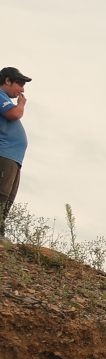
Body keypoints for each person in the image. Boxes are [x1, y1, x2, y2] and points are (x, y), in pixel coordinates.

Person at [0, 66, 31, 239]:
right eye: (19, 83)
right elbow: (14, 114)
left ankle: (0, 233)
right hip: (4, 155)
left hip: (13, 157)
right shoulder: (0, 97)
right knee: (2, 194)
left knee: (8, 197)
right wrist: (20, 105)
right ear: (7, 81)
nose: (22, 89)